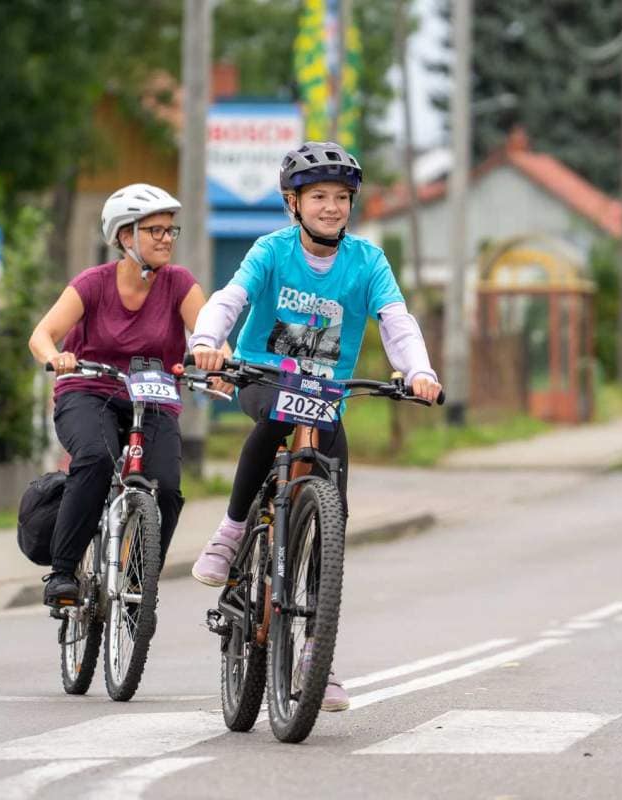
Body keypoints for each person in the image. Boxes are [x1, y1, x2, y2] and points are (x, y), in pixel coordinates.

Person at [188, 141, 442, 712]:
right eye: (319, 196)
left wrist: (419, 372)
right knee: (280, 415)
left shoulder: (367, 262)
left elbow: (396, 321)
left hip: (326, 395)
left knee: (334, 517)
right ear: (293, 204)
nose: (331, 207)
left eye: (341, 197)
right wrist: (206, 341)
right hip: (262, 376)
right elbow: (231, 299)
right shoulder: (272, 250)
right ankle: (231, 532)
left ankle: (315, 655)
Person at [29, 183, 218, 606]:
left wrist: (217, 357)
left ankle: (138, 583)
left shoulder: (179, 283)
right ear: (125, 236)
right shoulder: (93, 283)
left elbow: (209, 333)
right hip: (89, 390)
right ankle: (62, 573)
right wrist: (56, 357)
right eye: (155, 230)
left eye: (170, 230)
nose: (166, 238)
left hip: (153, 398)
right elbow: (42, 334)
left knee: (167, 489)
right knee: (96, 459)